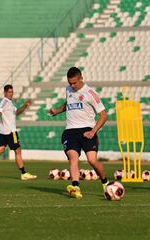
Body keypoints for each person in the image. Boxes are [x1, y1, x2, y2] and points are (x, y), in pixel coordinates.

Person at [49, 67, 109, 199]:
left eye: (74, 82)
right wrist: (57, 111)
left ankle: (105, 182)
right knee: (73, 158)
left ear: (81, 78)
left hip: (87, 130)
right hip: (70, 132)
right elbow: (68, 104)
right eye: (70, 82)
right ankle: (75, 187)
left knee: (92, 160)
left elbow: (103, 115)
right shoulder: (68, 89)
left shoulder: (90, 93)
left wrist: (93, 131)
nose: (72, 85)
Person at [0, 84, 37, 181]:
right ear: (5, 92)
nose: (11, 94)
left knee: (0, 150)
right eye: (9, 92)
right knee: (18, 151)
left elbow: (16, 112)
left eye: (12, 92)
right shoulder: (4, 102)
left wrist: (24, 105)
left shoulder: (10, 103)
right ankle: (24, 173)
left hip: (4, 131)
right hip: (11, 131)